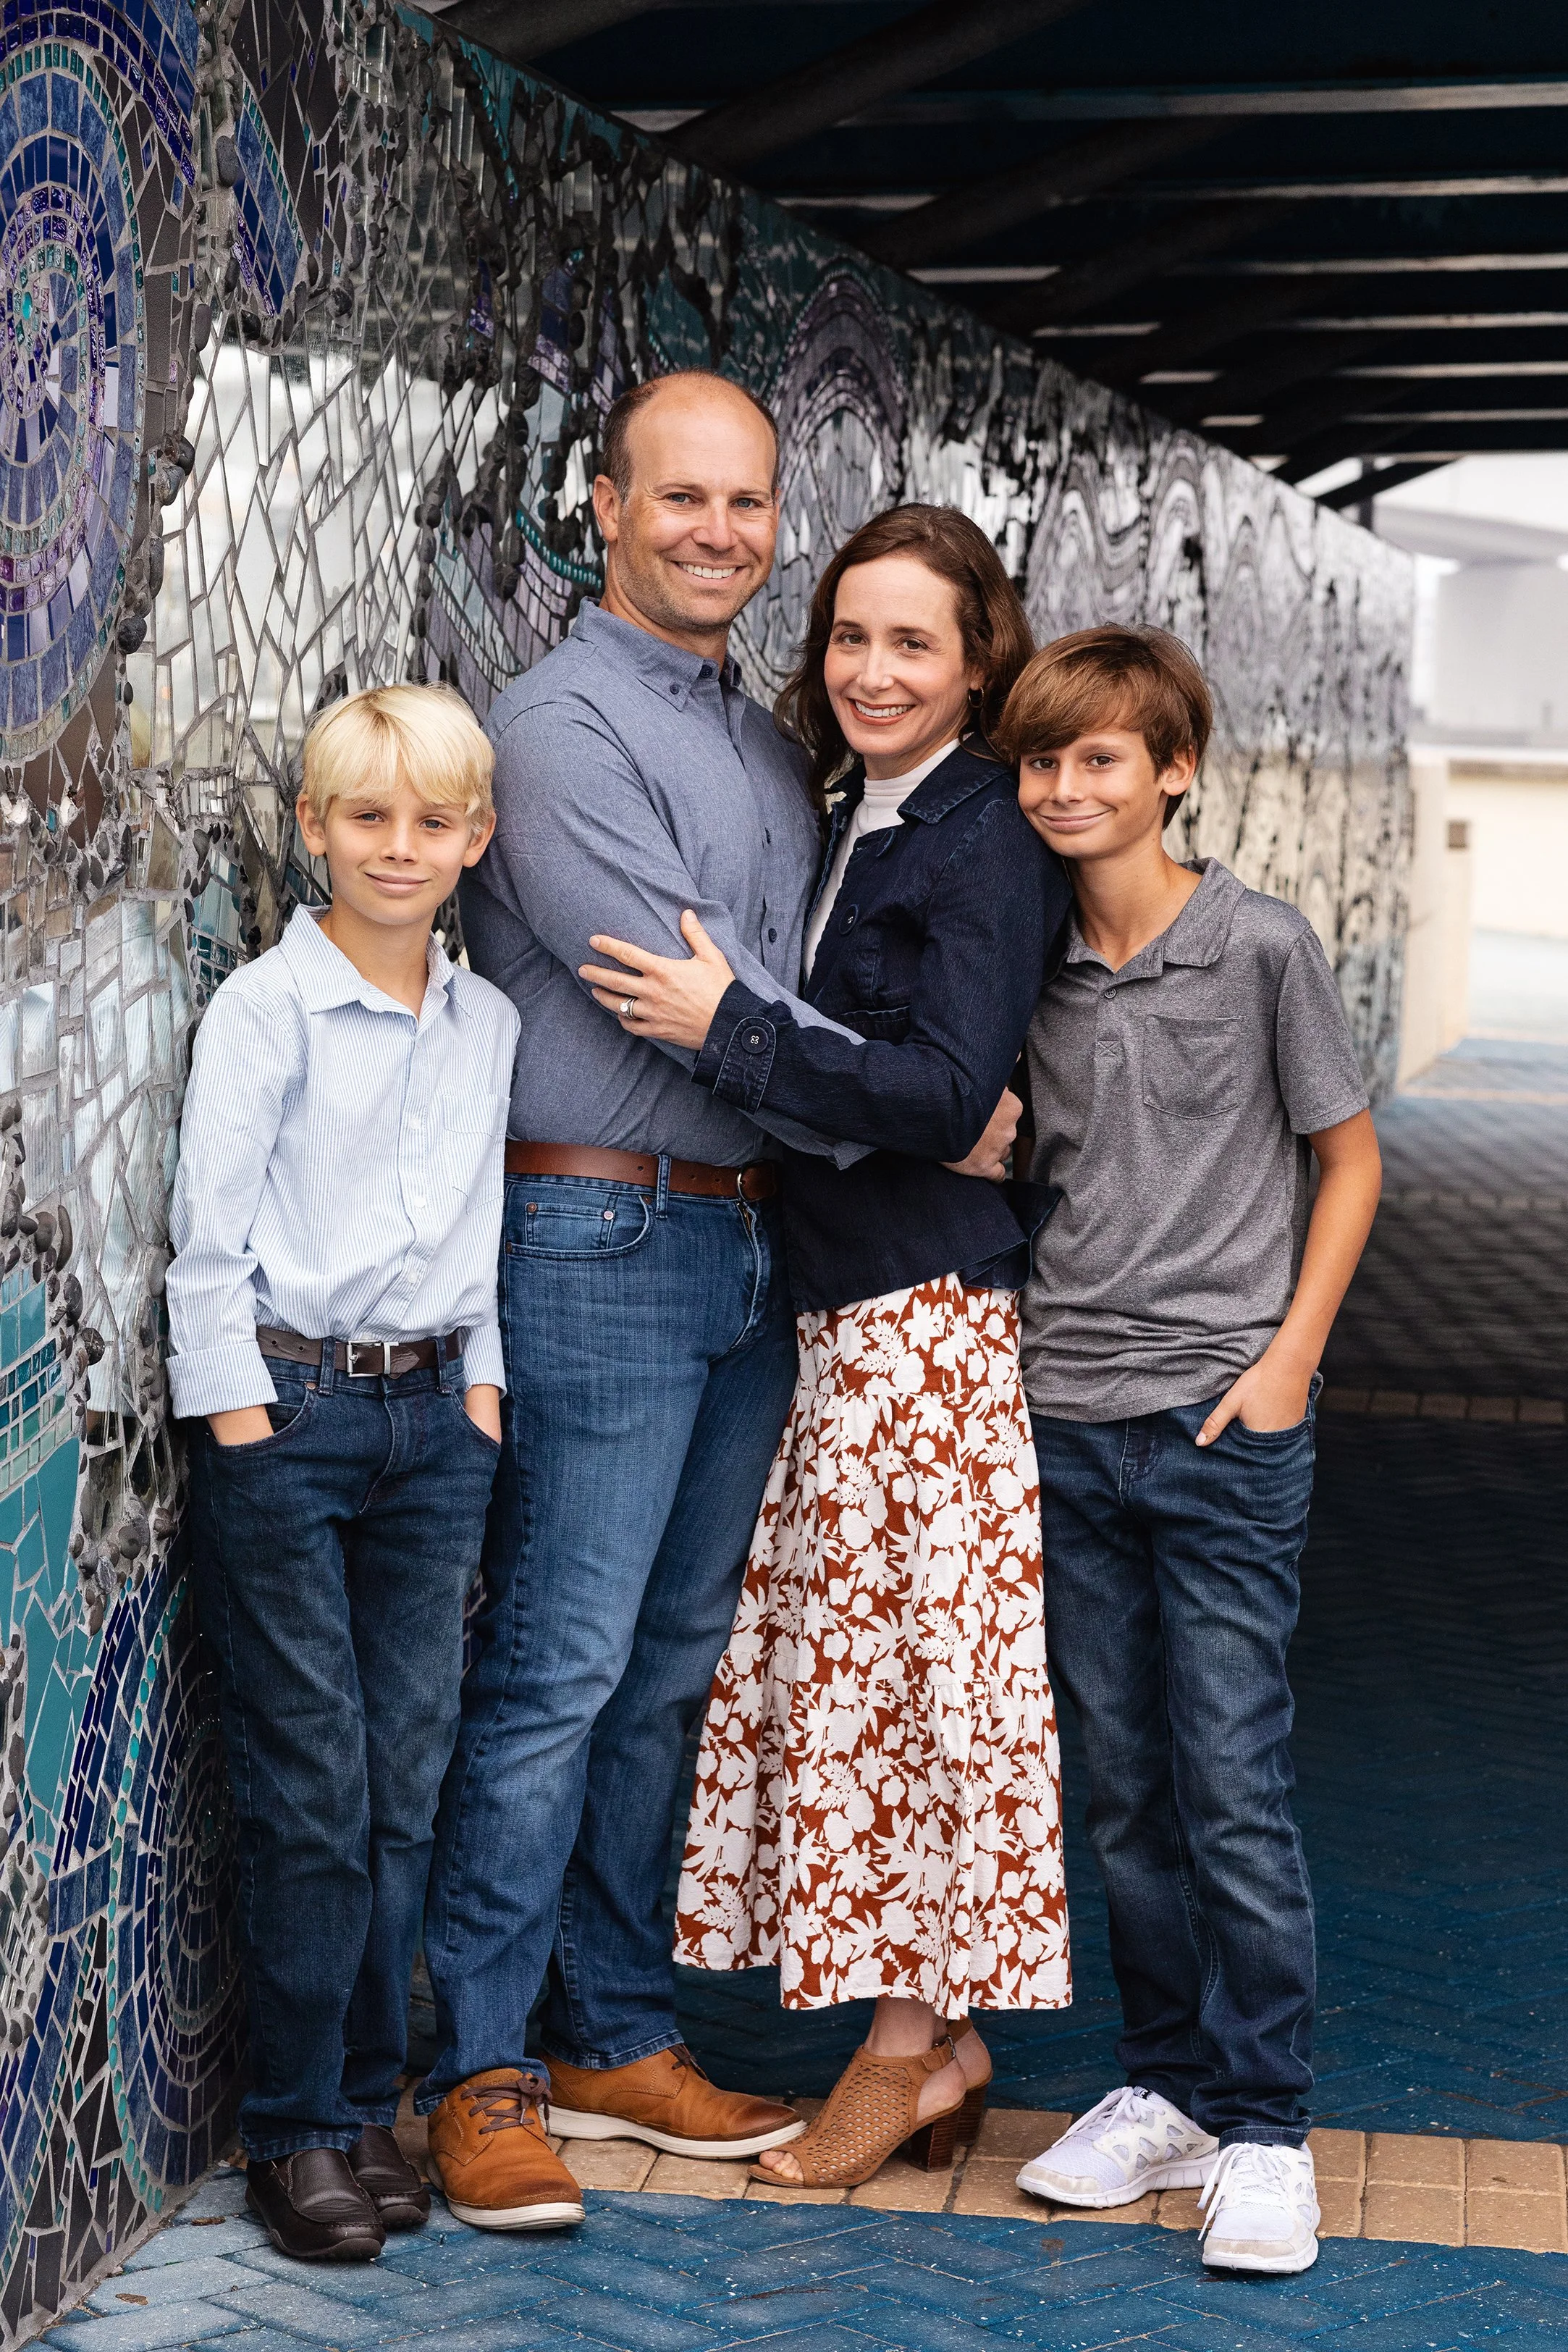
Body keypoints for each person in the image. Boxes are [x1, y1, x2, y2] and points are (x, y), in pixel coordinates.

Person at [416, 374, 1015, 2217]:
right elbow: (672, 992)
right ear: (604, 506)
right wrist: (926, 1097)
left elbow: (752, 990)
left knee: (671, 1670)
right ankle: (484, 2067)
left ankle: (612, 2024)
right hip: (601, 1234)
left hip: (753, 1238)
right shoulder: (562, 726)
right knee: (557, 1669)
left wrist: (878, 1075)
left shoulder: (768, 741)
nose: (719, 533)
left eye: (749, 505)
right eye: (682, 498)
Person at [579, 505, 1075, 2191]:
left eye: (912, 643)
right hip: (839, 1310)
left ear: (976, 659)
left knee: (934, 1698)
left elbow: (946, 1090)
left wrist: (730, 1030)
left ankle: (904, 2051)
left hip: (928, 1326)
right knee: (857, 1696)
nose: (871, 670)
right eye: (850, 638)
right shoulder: (849, 812)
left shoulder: (985, 826)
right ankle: (932, 2041)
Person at [995, 627, 1382, 2275]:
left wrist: (1292, 1361)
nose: (1068, 787)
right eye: (1042, 761)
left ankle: (1270, 2124)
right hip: (1064, 1418)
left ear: (1174, 771)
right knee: (1126, 1783)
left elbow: (1349, 1161)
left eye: (1103, 758)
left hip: (1225, 1427)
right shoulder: (1025, 964)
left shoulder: (1262, 948)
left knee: (1231, 1776)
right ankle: (1167, 2089)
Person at [167, 686, 525, 2261]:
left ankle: (371, 2109)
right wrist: (245, 1423)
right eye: (366, 816)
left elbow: (476, 1234)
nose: (399, 846)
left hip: (436, 1429)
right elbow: (205, 1247)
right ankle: (296, 2129)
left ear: (476, 838)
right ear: (312, 826)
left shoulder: (490, 1021)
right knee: (314, 1788)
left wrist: (487, 1389)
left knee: (403, 1789)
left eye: (432, 821)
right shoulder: (267, 1009)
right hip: (292, 1424)